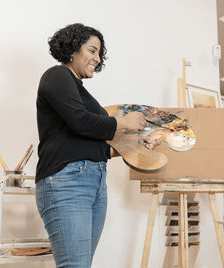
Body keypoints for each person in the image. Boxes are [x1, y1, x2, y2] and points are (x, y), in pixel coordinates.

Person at [35, 23, 146, 268]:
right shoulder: (56, 76)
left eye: (99, 54)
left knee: (81, 265)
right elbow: (81, 123)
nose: (97, 58)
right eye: (92, 51)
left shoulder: (81, 93)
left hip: (93, 182)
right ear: (73, 49)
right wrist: (123, 122)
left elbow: (95, 146)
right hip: (66, 181)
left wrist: (133, 144)